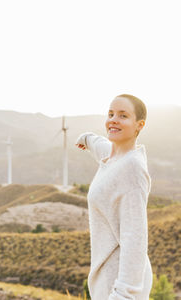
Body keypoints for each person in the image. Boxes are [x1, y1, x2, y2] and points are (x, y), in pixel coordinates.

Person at [75, 94, 153, 300]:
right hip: (106, 276)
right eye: (110, 114)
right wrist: (87, 139)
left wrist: (124, 294)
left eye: (123, 116)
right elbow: (101, 145)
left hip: (119, 281)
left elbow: (135, 237)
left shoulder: (132, 168)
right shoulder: (112, 155)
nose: (113, 120)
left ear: (139, 125)